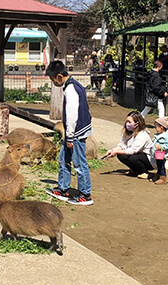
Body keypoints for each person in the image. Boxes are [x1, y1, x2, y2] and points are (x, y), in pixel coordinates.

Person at [44, 60, 94, 205]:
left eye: (53, 80)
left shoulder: (71, 89)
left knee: (79, 163)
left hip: (76, 132)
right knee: (63, 158)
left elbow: (72, 115)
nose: (53, 83)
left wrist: (70, 136)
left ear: (59, 77)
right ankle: (63, 188)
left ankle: (85, 194)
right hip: (76, 131)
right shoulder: (75, 85)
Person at [105, 110, 155, 179]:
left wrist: (116, 151)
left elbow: (132, 150)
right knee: (121, 155)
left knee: (132, 158)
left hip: (148, 158)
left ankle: (144, 172)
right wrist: (113, 150)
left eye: (129, 122)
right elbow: (122, 145)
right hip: (138, 154)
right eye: (127, 121)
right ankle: (135, 170)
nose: (127, 124)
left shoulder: (142, 135)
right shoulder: (128, 132)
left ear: (137, 124)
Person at [150, 116, 168, 185]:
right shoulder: (157, 135)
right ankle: (158, 176)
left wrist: (161, 147)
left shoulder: (166, 137)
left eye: (156, 127)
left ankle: (163, 178)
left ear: (161, 127)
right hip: (156, 154)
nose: (155, 128)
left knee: (161, 166)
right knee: (158, 166)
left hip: (162, 155)